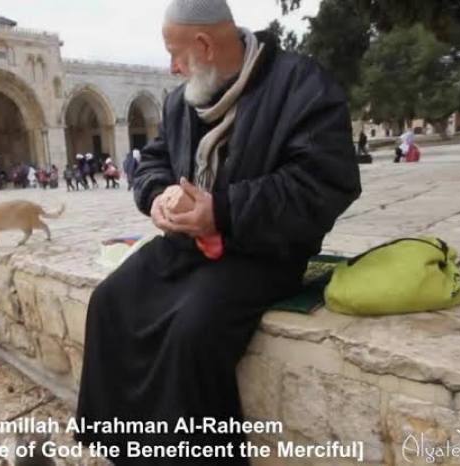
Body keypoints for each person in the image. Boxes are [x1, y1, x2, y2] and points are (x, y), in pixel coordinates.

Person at [74, 1, 361, 464]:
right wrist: (160, 196)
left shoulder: (301, 84)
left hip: (263, 250)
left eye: (176, 53)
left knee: (192, 330)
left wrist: (223, 210)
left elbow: (325, 181)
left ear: (204, 44)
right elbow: (152, 163)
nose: (172, 66)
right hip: (186, 244)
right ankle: (128, 450)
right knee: (110, 303)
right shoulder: (182, 100)